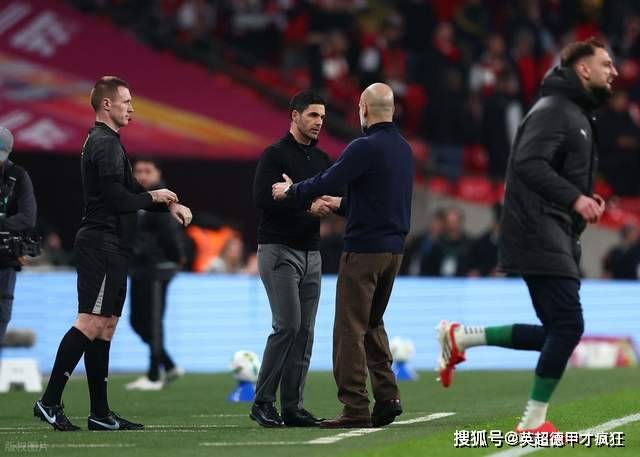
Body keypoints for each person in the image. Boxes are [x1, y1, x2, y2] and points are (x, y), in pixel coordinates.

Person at [437, 38, 615, 433]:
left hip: (552, 229)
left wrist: (582, 201)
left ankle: (461, 338)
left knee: (557, 332)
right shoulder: (555, 110)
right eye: (606, 64)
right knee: (568, 327)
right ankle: (533, 421)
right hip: (538, 230)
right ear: (583, 69)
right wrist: (575, 199)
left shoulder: (573, 112)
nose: (614, 71)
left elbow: (549, 170)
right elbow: (528, 163)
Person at [34, 76, 192, 431]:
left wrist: (167, 203)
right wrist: (153, 196)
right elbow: (118, 200)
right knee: (90, 321)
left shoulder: (110, 143)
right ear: (107, 104)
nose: (132, 109)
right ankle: (49, 401)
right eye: (127, 102)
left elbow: (131, 191)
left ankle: (100, 413)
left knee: (105, 328)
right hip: (101, 244)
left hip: (115, 246)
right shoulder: (104, 144)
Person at [273, 82, 414, 428]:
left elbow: (326, 179)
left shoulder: (364, 147)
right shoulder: (404, 149)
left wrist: (293, 191)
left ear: (363, 108)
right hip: (393, 252)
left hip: (364, 251)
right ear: (392, 110)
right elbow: (378, 203)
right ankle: (388, 397)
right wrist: (339, 205)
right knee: (373, 323)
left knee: (349, 329)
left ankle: (355, 407)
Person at [250, 90, 336, 428]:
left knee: (305, 332)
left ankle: (293, 407)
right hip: (278, 249)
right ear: (295, 115)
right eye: (313, 115)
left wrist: (293, 193)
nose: (319, 122)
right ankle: (262, 402)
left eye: (322, 117)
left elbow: (332, 200)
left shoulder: (323, 160)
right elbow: (261, 198)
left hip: (312, 252)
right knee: (287, 325)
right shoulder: (274, 155)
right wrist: (307, 202)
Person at [125, 158, 186, 391]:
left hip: (157, 268)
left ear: (158, 173)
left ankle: (154, 376)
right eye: (138, 171)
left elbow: (170, 234)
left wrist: (176, 258)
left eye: (147, 171)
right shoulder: (136, 197)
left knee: (152, 322)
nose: (142, 175)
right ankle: (169, 365)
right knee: (136, 321)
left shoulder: (162, 199)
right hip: (139, 268)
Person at [0, 126, 37, 351]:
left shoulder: (18, 176)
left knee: (2, 316)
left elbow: (28, 217)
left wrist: (3, 224)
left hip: (4, 259)